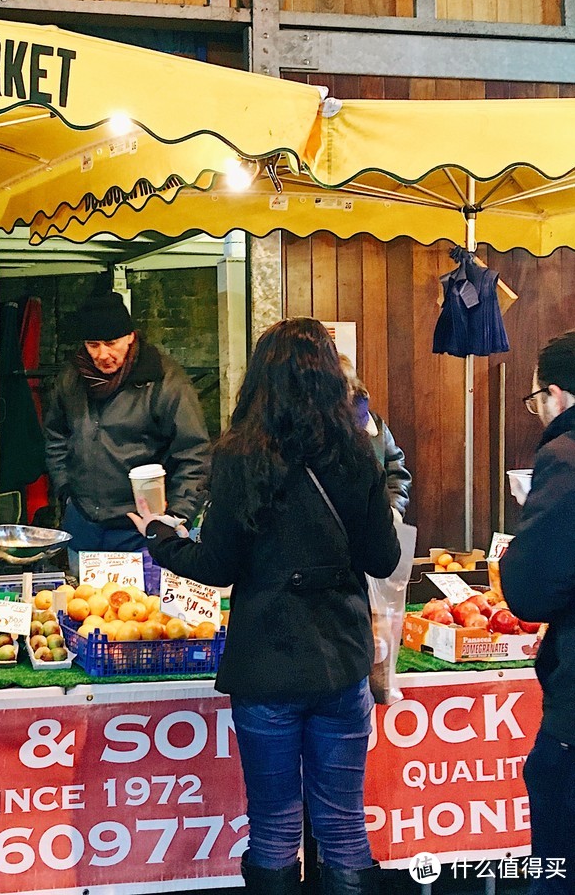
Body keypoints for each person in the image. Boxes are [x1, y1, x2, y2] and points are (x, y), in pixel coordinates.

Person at [129, 318, 399, 895]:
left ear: (260, 380)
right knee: (346, 828)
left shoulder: (240, 457)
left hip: (268, 667)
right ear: (331, 379)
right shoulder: (359, 456)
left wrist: (160, 535)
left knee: (275, 829)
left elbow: (217, 567)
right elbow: (383, 558)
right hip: (341, 663)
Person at [43, 287, 210, 576]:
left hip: (144, 533)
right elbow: (56, 435)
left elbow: (194, 453)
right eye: (93, 344)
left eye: (111, 342)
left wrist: (175, 517)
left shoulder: (164, 382)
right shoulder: (72, 378)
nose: (102, 354)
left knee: (141, 616)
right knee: (85, 611)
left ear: (131, 336)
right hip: (83, 527)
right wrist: (66, 491)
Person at [499, 329, 575, 894]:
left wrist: (525, 538)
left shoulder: (566, 457)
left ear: (556, 395)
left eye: (535, 401)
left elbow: (529, 592)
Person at [338, 354, 412, 522]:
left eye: (344, 385)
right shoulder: (316, 427)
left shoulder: (375, 427)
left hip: (378, 524)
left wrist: (394, 510)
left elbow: (397, 472)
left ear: (353, 388)